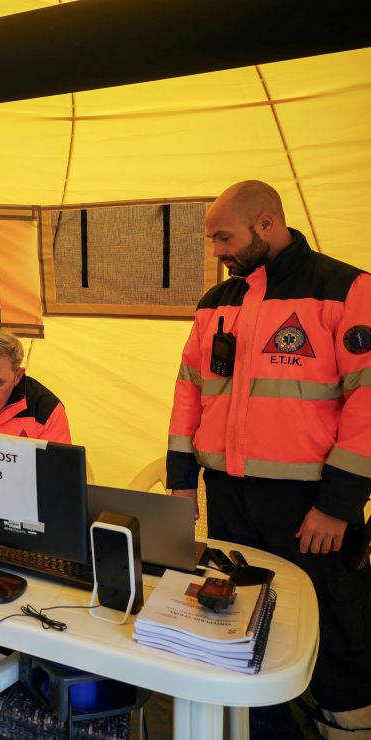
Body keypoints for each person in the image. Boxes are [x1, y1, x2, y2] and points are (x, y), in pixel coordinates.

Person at [167, 180, 371, 737]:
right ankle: (266, 728)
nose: (218, 252)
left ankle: (350, 728)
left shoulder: (345, 289)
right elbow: (190, 392)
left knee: (332, 624)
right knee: (241, 619)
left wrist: (338, 503)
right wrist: (182, 484)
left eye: (224, 237)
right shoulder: (217, 304)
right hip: (230, 496)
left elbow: (368, 402)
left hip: (310, 504)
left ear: (266, 223)